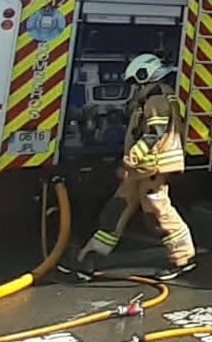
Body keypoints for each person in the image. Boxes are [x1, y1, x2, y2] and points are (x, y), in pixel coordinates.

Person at [75, 54, 197, 281]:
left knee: (156, 208)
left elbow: (155, 133)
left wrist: (131, 158)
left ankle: (183, 257)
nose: (134, 88)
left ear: (144, 75)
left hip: (154, 165)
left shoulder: (157, 99)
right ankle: (93, 256)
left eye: (135, 82)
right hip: (145, 166)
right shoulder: (152, 96)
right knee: (118, 206)